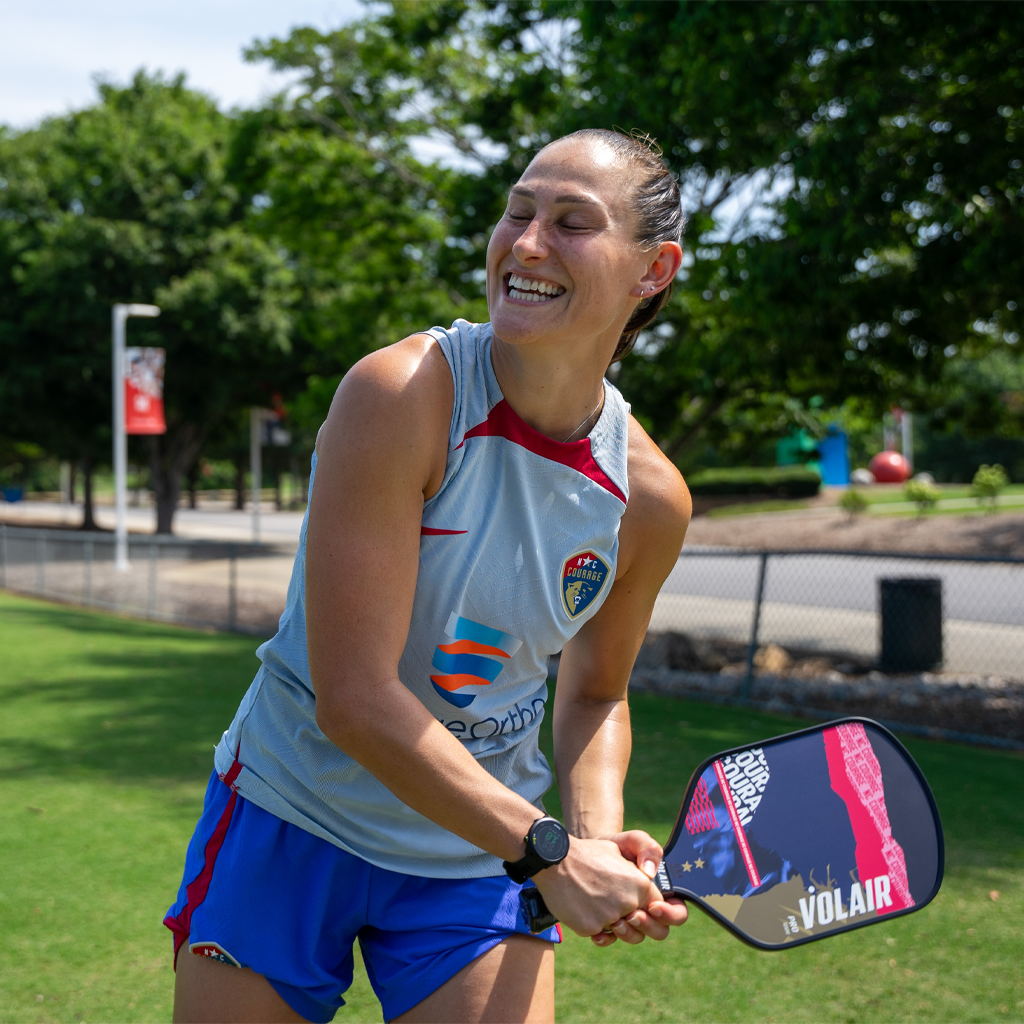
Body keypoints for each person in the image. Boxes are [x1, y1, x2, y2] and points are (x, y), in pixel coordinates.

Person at [166, 128, 692, 1024]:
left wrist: (595, 837)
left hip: (475, 852)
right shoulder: (401, 394)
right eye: (518, 211)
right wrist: (554, 852)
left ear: (653, 270)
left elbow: (597, 693)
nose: (525, 243)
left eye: (572, 222)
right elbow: (356, 698)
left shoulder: (649, 498)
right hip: (294, 813)